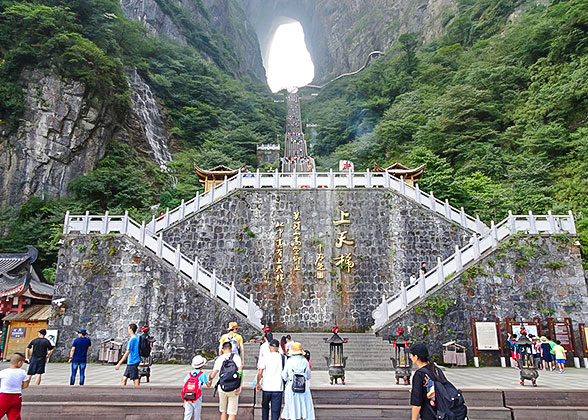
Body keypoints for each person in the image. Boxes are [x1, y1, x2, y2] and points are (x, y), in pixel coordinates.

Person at [208, 342, 243, 420]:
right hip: (234, 387)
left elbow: (213, 374)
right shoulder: (236, 358)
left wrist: (209, 379)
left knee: (223, 411)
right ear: (231, 349)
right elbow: (240, 372)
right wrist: (239, 386)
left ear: (222, 350)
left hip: (222, 387)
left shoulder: (219, 359)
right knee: (232, 412)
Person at [281, 342, 315, 420]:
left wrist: (288, 380)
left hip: (291, 385)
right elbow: (308, 375)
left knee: (292, 406)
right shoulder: (305, 361)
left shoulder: (289, 361)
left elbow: (284, 375)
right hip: (303, 386)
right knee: (303, 407)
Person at [409, 343, 442, 420]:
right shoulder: (436, 370)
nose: (410, 357)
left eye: (411, 355)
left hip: (429, 415)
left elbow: (417, 403)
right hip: (441, 413)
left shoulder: (419, 374)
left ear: (416, 357)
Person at [256, 339, 285, 420]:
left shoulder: (265, 357)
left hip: (266, 387)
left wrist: (258, 383)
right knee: (275, 412)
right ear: (278, 347)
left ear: (269, 347)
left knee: (265, 408)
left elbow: (260, 372)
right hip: (278, 387)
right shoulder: (283, 358)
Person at [0, 353, 30, 420]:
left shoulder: (2, 372)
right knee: (14, 416)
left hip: (3, 395)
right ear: (19, 363)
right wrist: (19, 387)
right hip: (17, 396)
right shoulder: (22, 372)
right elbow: (26, 384)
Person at [183, 355, 208, 420]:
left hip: (188, 396)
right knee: (197, 414)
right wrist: (210, 380)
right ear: (202, 366)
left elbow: (185, 385)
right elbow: (208, 385)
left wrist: (184, 400)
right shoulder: (202, 374)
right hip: (197, 397)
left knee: (187, 415)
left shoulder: (190, 374)